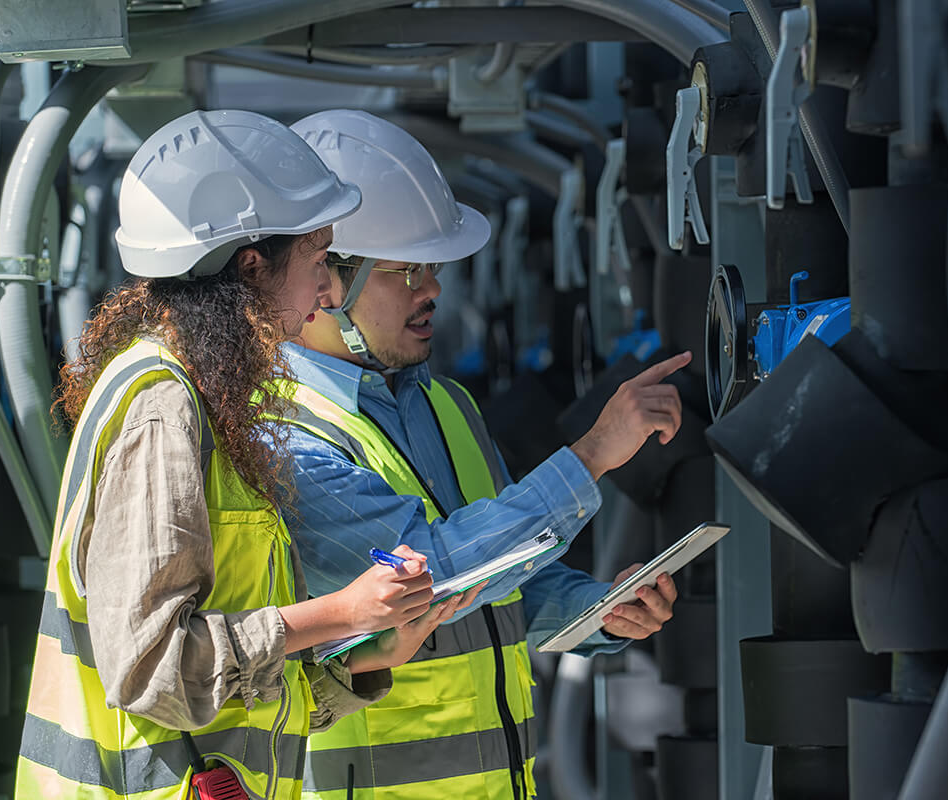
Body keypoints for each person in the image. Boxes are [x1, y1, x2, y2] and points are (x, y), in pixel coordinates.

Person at [15, 109, 481, 800]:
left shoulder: (208, 398)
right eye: (319, 262)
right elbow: (153, 672)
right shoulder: (162, 406)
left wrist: (360, 664)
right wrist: (342, 614)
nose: (327, 293)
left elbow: (237, 700)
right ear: (251, 267)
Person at [277, 109, 689, 800]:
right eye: (405, 272)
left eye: (432, 268)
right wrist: (588, 457)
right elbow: (428, 578)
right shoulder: (284, 431)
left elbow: (501, 585)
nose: (432, 289)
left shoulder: (447, 405)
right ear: (326, 287)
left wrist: (594, 609)